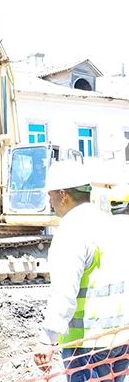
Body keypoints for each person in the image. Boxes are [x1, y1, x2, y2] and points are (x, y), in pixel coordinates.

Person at [34, 162, 129, 381]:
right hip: (119, 338)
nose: (50, 202)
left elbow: (64, 292)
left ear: (63, 194)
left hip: (87, 345)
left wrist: (47, 339)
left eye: (51, 195)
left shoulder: (71, 231)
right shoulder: (108, 224)